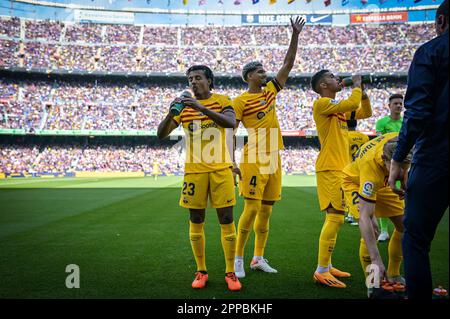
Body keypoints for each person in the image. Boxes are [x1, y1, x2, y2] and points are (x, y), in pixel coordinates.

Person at [231, 17, 306, 279]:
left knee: (266, 211)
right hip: (254, 157)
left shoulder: (270, 92)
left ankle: (257, 258)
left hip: (274, 157)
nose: (266, 74)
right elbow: (230, 131)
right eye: (261, 72)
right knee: (251, 209)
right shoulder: (239, 101)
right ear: (249, 76)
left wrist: (294, 35)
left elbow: (288, 64)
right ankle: (237, 259)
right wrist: (231, 161)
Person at [157, 65, 242, 291]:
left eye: (198, 78)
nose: (193, 82)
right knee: (196, 220)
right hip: (194, 171)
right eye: (190, 79)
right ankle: (201, 270)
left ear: (209, 81)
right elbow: (161, 134)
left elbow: (230, 123)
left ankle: (230, 272)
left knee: (226, 219)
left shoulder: (223, 100)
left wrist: (201, 108)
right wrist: (171, 113)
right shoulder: (184, 108)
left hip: (221, 169)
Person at [388, 0, 449, 299]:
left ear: (440, 22)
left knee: (415, 238)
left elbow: (418, 112)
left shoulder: (431, 51)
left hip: (437, 157)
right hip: (436, 155)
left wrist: (398, 157)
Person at [310, 70, 372, 288]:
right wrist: (355, 85)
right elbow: (350, 104)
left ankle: (326, 265)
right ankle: (321, 270)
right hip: (330, 168)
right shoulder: (322, 104)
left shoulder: (338, 111)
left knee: (336, 218)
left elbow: (365, 112)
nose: (337, 78)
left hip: (340, 169)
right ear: (323, 85)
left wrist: (362, 92)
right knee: (334, 218)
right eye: (332, 76)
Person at [342, 133, 412, 298]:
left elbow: (402, 166)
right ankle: (373, 282)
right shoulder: (370, 168)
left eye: (406, 166)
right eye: (397, 166)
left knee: (405, 225)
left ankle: (394, 274)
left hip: (384, 182)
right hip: (355, 181)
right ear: (384, 159)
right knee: (372, 230)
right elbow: (364, 217)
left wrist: (403, 177)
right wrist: (376, 258)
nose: (402, 171)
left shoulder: (403, 139)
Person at [375, 93, 404, 242]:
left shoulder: (406, 122)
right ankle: (384, 231)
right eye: (395, 103)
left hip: (405, 163)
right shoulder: (381, 123)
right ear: (389, 106)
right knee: (386, 195)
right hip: (388, 164)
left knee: (403, 194)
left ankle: (404, 226)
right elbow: (380, 143)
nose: (399, 105)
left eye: (400, 103)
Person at [345, 118, 369, 226]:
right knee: (361, 190)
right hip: (361, 167)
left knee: (351, 191)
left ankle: (352, 213)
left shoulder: (345, 136)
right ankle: (355, 213)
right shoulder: (364, 137)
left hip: (350, 167)